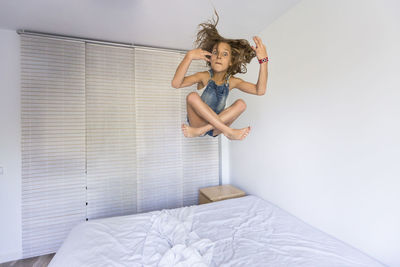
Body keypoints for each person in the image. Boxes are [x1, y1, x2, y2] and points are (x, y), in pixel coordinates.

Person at [171, 13, 268, 140]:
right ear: (210, 58)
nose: (219, 56)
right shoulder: (204, 76)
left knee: (241, 104)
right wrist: (188, 57)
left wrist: (264, 61)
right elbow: (176, 84)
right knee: (192, 97)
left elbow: (260, 91)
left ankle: (202, 131)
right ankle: (228, 132)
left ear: (231, 62)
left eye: (225, 54)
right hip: (197, 122)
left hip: (215, 127)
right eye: (215, 52)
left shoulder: (232, 81)